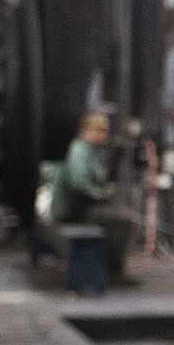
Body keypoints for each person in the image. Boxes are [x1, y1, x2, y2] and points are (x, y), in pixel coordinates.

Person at [49, 111, 134, 281]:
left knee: (118, 215)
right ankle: (111, 269)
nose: (104, 135)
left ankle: (104, 263)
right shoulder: (78, 150)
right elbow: (79, 184)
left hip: (79, 207)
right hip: (71, 210)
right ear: (87, 131)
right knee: (121, 221)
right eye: (100, 131)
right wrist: (102, 195)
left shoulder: (88, 151)